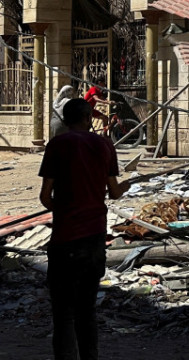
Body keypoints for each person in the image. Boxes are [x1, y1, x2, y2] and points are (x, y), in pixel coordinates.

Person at [38, 98, 129, 360]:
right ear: (89, 118)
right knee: (87, 310)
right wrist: (126, 187)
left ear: (66, 121)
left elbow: (45, 197)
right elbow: (114, 192)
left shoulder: (57, 145)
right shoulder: (104, 145)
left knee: (63, 313)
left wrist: (64, 209)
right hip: (94, 238)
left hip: (65, 238)